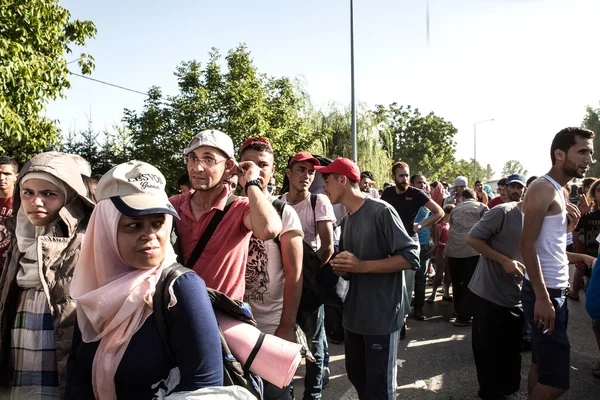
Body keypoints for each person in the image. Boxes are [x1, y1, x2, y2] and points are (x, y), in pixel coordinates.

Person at [67, 161, 223, 399]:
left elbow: (205, 387)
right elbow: (77, 372)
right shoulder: (92, 289)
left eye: (158, 223)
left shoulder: (181, 289)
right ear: (105, 229)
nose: (150, 236)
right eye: (134, 225)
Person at [317, 158, 420, 400]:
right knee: (359, 380)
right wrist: (345, 268)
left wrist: (361, 266)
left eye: (327, 179)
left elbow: (410, 257)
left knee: (380, 390)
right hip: (354, 319)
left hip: (381, 318)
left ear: (343, 180)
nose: (323, 186)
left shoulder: (381, 211)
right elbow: (355, 266)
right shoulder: (348, 219)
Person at [0, 152, 95, 399]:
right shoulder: (20, 235)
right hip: (22, 333)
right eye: (28, 192)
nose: (36, 201)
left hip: (65, 343)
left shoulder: (88, 237)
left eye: (48, 193)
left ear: (70, 195)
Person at [520, 127, 595, 399]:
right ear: (560, 154)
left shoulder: (560, 191)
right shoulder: (542, 188)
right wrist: (541, 296)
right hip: (546, 292)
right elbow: (526, 244)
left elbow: (547, 245)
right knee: (557, 382)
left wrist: (569, 227)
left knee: (541, 366)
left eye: (591, 153)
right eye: (583, 151)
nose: (589, 159)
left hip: (553, 291)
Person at [169, 129, 281, 301]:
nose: (198, 167)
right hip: (178, 309)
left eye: (208, 159)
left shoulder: (238, 208)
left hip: (222, 317)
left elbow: (269, 229)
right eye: (192, 158)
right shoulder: (175, 205)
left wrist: (251, 182)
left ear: (228, 166)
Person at [239, 138, 303, 399]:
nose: (255, 170)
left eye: (263, 165)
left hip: (272, 328)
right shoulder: (230, 208)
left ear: (273, 170)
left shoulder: (283, 212)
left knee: (275, 394)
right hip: (234, 327)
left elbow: (295, 275)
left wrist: (287, 325)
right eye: (249, 164)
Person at [465, 173, 527, 399]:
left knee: (512, 350)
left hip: (515, 296)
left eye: (519, 187)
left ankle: (509, 390)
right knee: (487, 351)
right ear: (505, 188)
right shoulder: (502, 212)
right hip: (487, 294)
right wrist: (504, 260)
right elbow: (472, 239)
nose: (516, 190)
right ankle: (490, 392)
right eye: (512, 186)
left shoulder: (537, 218)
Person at [281, 152, 335, 400]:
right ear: (289, 173)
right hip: (282, 283)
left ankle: (313, 394)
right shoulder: (277, 202)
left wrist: (309, 274)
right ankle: (286, 391)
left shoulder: (318, 201)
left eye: (311, 172)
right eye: (301, 169)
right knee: (285, 341)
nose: (306, 175)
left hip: (309, 282)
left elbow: (328, 247)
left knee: (314, 342)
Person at [381, 162, 443, 322]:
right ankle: (392, 316)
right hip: (389, 245)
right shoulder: (387, 193)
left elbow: (439, 212)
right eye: (401, 175)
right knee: (390, 283)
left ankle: (402, 320)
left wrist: (420, 225)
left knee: (407, 286)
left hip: (409, 245)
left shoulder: (416, 194)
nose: (404, 178)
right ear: (393, 177)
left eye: (407, 175)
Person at [444, 188, 488, 326]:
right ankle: (466, 315)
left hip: (453, 251)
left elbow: (450, 224)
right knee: (470, 283)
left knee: (457, 283)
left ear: (462, 198)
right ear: (475, 197)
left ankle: (458, 312)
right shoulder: (481, 207)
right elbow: (488, 226)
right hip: (471, 250)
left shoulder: (456, 208)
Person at [570, 178, 600, 301]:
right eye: (599, 190)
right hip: (590, 261)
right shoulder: (588, 214)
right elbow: (574, 235)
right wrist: (581, 215)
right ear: (593, 193)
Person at [427, 204, 454, 304]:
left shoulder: (449, 225)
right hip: (441, 254)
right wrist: (446, 245)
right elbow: (437, 242)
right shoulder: (439, 225)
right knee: (438, 275)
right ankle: (433, 293)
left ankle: (446, 293)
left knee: (448, 275)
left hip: (449, 253)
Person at [0, 156, 18, 271]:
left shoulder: (22, 203)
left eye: (7, 174)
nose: (1, 178)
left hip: (11, 269)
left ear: (16, 177)